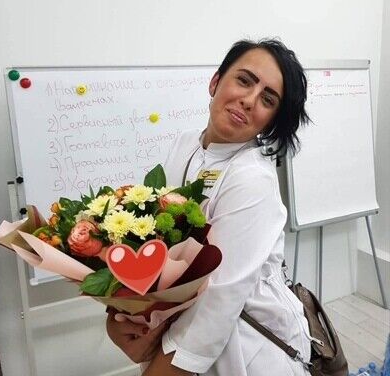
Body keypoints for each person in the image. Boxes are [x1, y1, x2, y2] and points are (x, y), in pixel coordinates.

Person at [107, 38, 312, 375]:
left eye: (267, 99)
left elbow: (218, 303)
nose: (249, 100)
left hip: (249, 345)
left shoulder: (253, 179)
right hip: (180, 330)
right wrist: (120, 320)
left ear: (271, 120)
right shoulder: (185, 143)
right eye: (244, 80)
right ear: (215, 82)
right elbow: (158, 244)